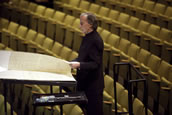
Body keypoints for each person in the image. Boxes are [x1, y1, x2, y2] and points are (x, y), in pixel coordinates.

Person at [69, 13, 104, 115]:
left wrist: (79, 65)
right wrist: (71, 62)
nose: (80, 26)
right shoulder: (87, 37)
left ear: (90, 24)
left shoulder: (96, 40)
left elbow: (95, 64)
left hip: (92, 87)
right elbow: (83, 57)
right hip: (84, 83)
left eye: (81, 23)